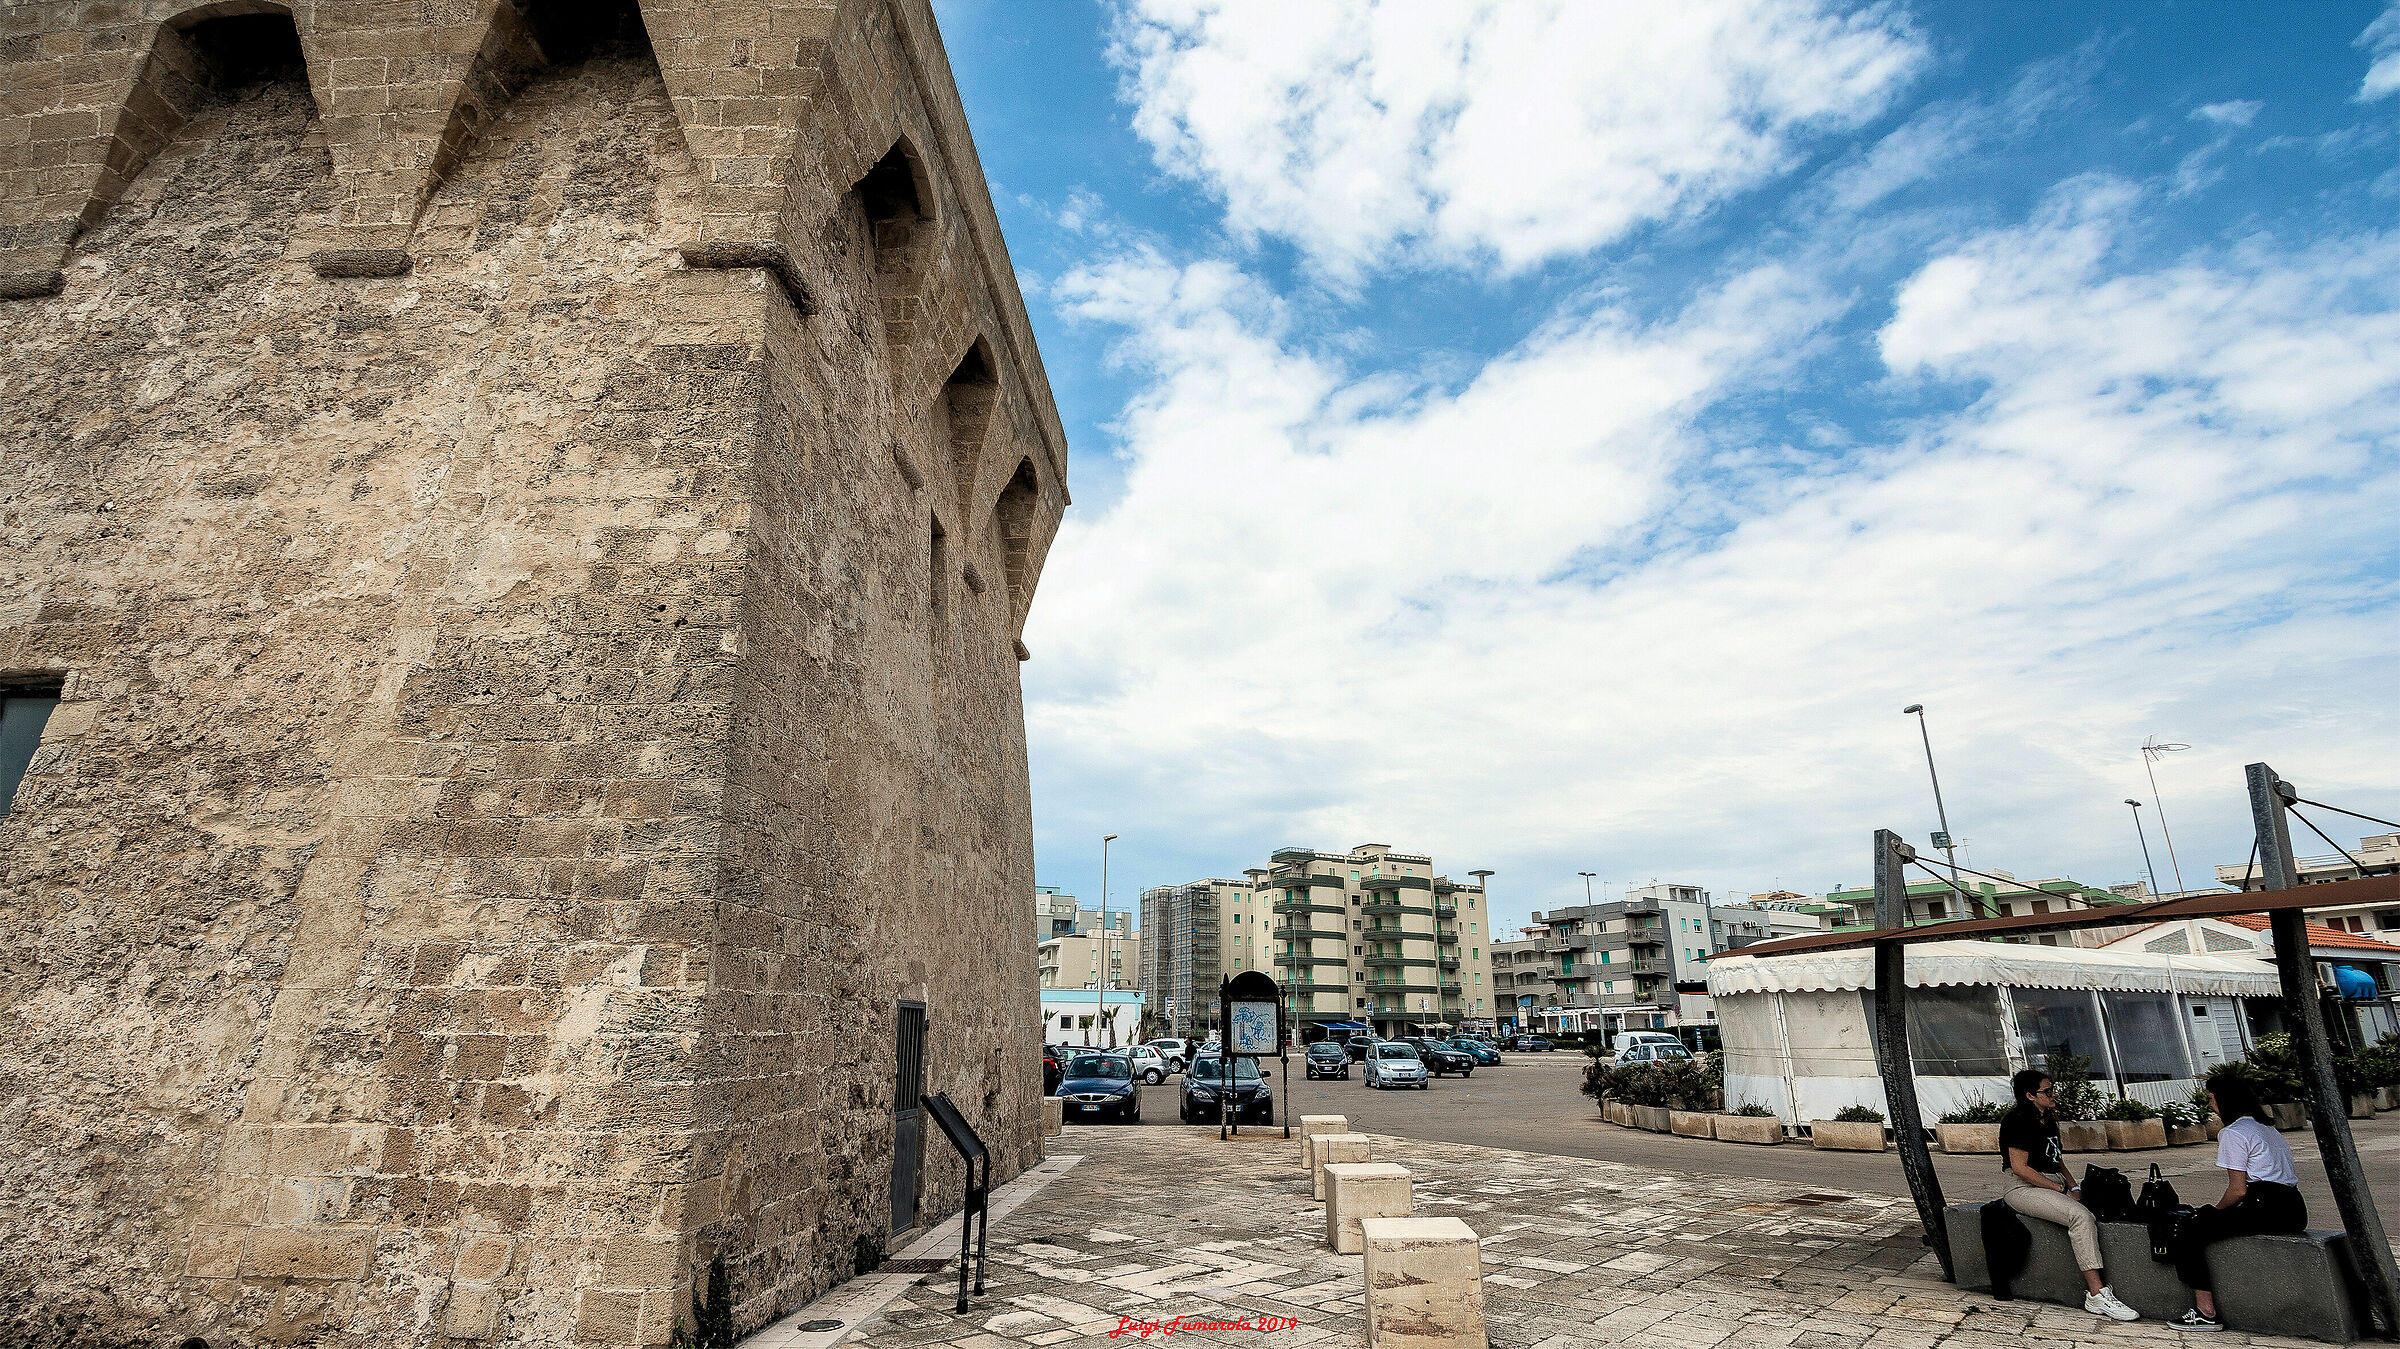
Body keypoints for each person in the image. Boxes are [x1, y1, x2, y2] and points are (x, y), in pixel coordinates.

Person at [1998, 1067, 2140, 1321]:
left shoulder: (2048, 1119)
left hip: (2053, 1182)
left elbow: (2057, 1160)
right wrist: (2062, 1191)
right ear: (2030, 1095)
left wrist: (2074, 1186)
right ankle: (2096, 1295)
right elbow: (2020, 1168)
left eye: (2053, 1089)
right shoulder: (2017, 1120)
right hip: (2022, 1187)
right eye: (2048, 1091)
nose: (2054, 1094)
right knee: (2080, 1217)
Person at [2169, 1072, 2307, 1331]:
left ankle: (2204, 1312)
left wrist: (2210, 1212)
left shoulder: (2233, 1133)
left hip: (2266, 1207)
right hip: (2294, 1208)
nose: (2210, 1104)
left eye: (2211, 1098)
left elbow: (2238, 1191)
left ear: (2225, 1099)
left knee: (2189, 1229)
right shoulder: (2266, 1127)